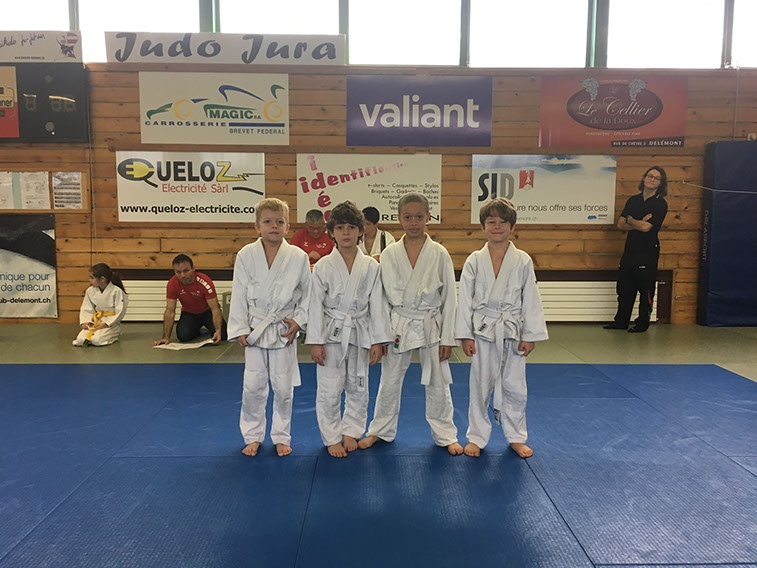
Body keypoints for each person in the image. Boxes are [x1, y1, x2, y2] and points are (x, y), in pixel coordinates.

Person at [359, 193, 464, 455]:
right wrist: (380, 336)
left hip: (430, 323)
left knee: (438, 382)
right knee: (389, 380)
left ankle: (445, 434)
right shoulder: (389, 254)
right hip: (398, 323)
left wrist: (448, 338)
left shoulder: (439, 253)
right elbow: (380, 299)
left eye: (419, 216)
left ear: (428, 217)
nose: (414, 222)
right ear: (399, 218)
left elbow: (449, 298)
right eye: (408, 217)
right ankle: (380, 430)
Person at [455, 198, 548, 459]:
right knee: (480, 385)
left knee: (515, 386)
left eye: (503, 222)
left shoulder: (522, 260)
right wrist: (465, 335)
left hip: (512, 331)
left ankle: (516, 436)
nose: (497, 226)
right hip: (483, 331)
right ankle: (476, 436)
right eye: (491, 222)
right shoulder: (474, 260)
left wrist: (530, 335)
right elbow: (465, 300)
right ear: (483, 226)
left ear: (512, 226)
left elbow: (531, 298)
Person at [307, 201, 392, 458]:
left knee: (358, 384)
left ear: (361, 231)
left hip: (359, 330)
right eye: (340, 227)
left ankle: (351, 431)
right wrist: (315, 341)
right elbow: (314, 305)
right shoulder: (323, 266)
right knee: (329, 387)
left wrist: (378, 340)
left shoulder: (372, 266)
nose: (346, 232)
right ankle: (332, 436)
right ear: (331, 232)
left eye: (352, 227)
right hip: (331, 332)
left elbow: (378, 304)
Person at [227, 198, 311, 458]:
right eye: (267, 221)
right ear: (257, 226)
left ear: (288, 226)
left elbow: (307, 293)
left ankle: (281, 436)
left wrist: (299, 320)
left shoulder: (298, 256)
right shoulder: (246, 254)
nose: (274, 226)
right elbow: (239, 292)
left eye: (280, 222)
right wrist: (239, 327)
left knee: (284, 388)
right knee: (253, 386)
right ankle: (252, 435)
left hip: (283, 329)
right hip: (255, 328)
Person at [604, 166, 669, 333]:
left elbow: (646, 228)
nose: (652, 179)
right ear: (644, 178)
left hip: (648, 252)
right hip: (630, 250)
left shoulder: (660, 204)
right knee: (624, 288)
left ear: (660, 183)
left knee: (645, 288)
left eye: (656, 178)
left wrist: (631, 220)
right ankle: (621, 321)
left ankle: (642, 323)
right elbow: (620, 224)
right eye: (650, 176)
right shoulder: (633, 201)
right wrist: (638, 222)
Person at [153, 254, 227, 346]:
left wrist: (218, 330)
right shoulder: (172, 284)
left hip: (207, 312)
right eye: (178, 272)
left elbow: (215, 309)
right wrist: (165, 337)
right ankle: (198, 330)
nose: (183, 275)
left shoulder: (204, 281)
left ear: (193, 268)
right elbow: (169, 311)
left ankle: (212, 328)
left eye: (186, 271)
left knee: (223, 335)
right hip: (189, 313)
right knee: (183, 336)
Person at [73, 263, 128, 347]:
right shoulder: (90, 291)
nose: (89, 280)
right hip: (96, 321)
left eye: (92, 278)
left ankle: (115, 333)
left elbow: (120, 310)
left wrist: (106, 324)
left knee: (97, 340)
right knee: (80, 340)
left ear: (102, 279)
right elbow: (86, 308)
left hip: (111, 324)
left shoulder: (117, 291)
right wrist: (86, 321)